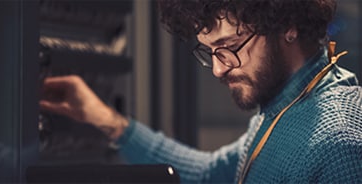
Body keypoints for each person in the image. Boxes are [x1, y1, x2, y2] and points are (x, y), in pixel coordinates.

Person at [40, 0, 362, 183]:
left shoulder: (338, 144)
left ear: (289, 24)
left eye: (231, 47)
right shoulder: (283, 108)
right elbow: (211, 174)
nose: (219, 69)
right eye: (210, 51)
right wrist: (108, 121)